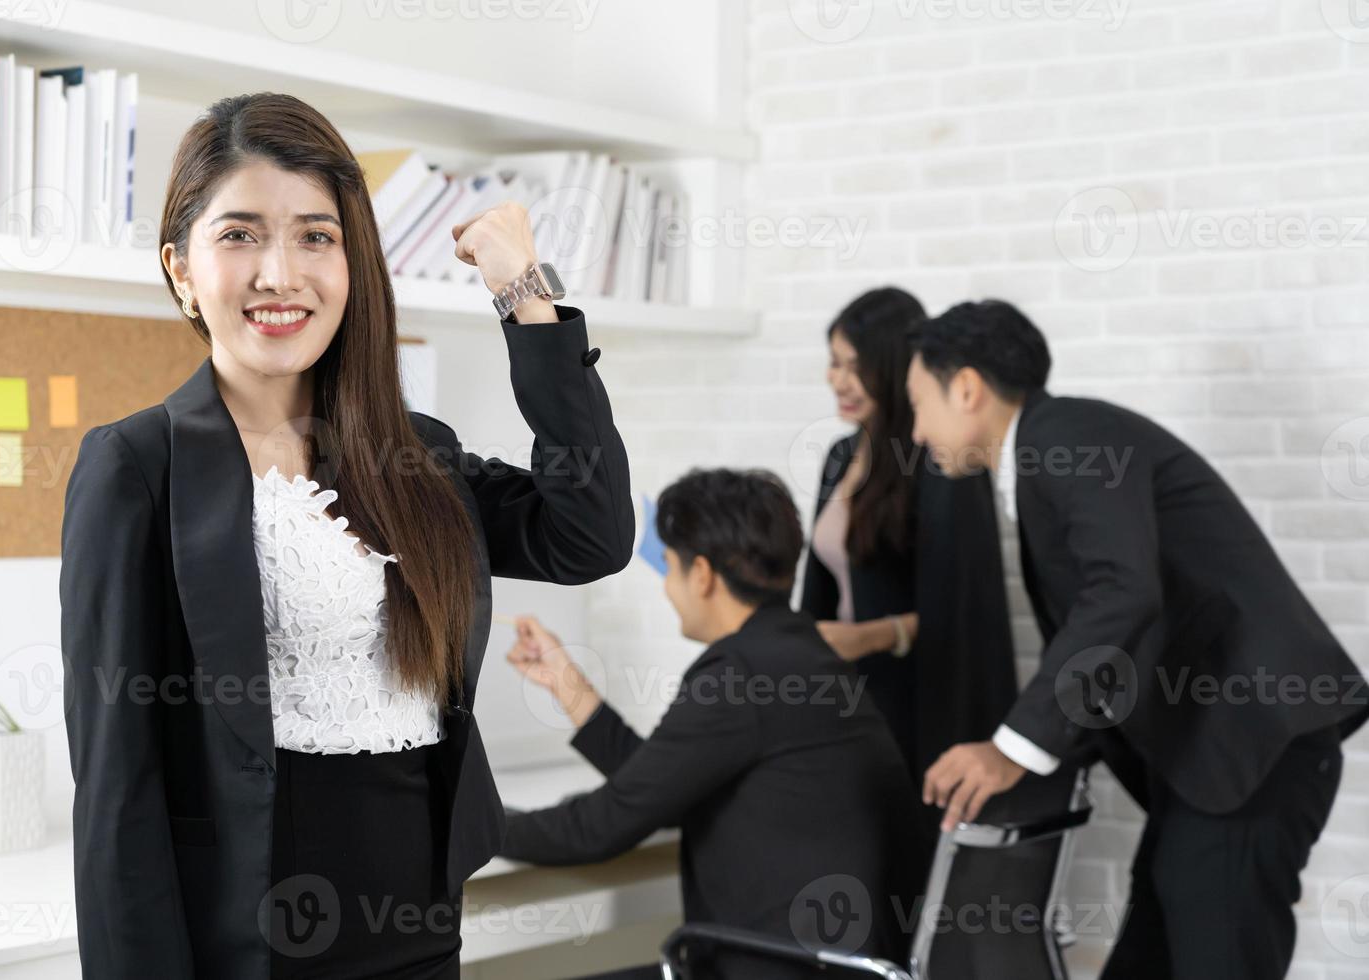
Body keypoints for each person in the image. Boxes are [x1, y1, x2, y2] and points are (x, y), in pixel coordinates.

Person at [59, 92, 634, 979]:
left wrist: (526, 296)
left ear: (354, 262)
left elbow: (588, 534)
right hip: (251, 945)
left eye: (315, 237)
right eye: (241, 234)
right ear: (181, 268)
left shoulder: (417, 457)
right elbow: (117, 800)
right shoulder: (137, 468)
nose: (280, 274)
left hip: (420, 926)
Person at [907, 299, 1369, 980]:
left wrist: (1012, 749)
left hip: (1252, 747)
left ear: (967, 388)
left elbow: (1123, 594)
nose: (916, 432)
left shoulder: (1067, 437)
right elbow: (1123, 625)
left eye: (919, 404)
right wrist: (1042, 754)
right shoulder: (1051, 451)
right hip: (1217, 759)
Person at [497, 468, 933, 979]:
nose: (669, 589)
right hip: (846, 966)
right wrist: (568, 686)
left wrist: (477, 824)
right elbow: (663, 783)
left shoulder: (740, 674)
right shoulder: (802, 652)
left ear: (701, 574)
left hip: (779, 968)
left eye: (673, 569)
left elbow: (600, 828)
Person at [799, 286, 1017, 783]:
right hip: (844, 700)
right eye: (834, 364)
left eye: (856, 367)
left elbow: (964, 613)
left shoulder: (942, 460)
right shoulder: (840, 455)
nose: (839, 381)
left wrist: (870, 636)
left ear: (897, 368)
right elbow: (819, 595)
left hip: (916, 703)